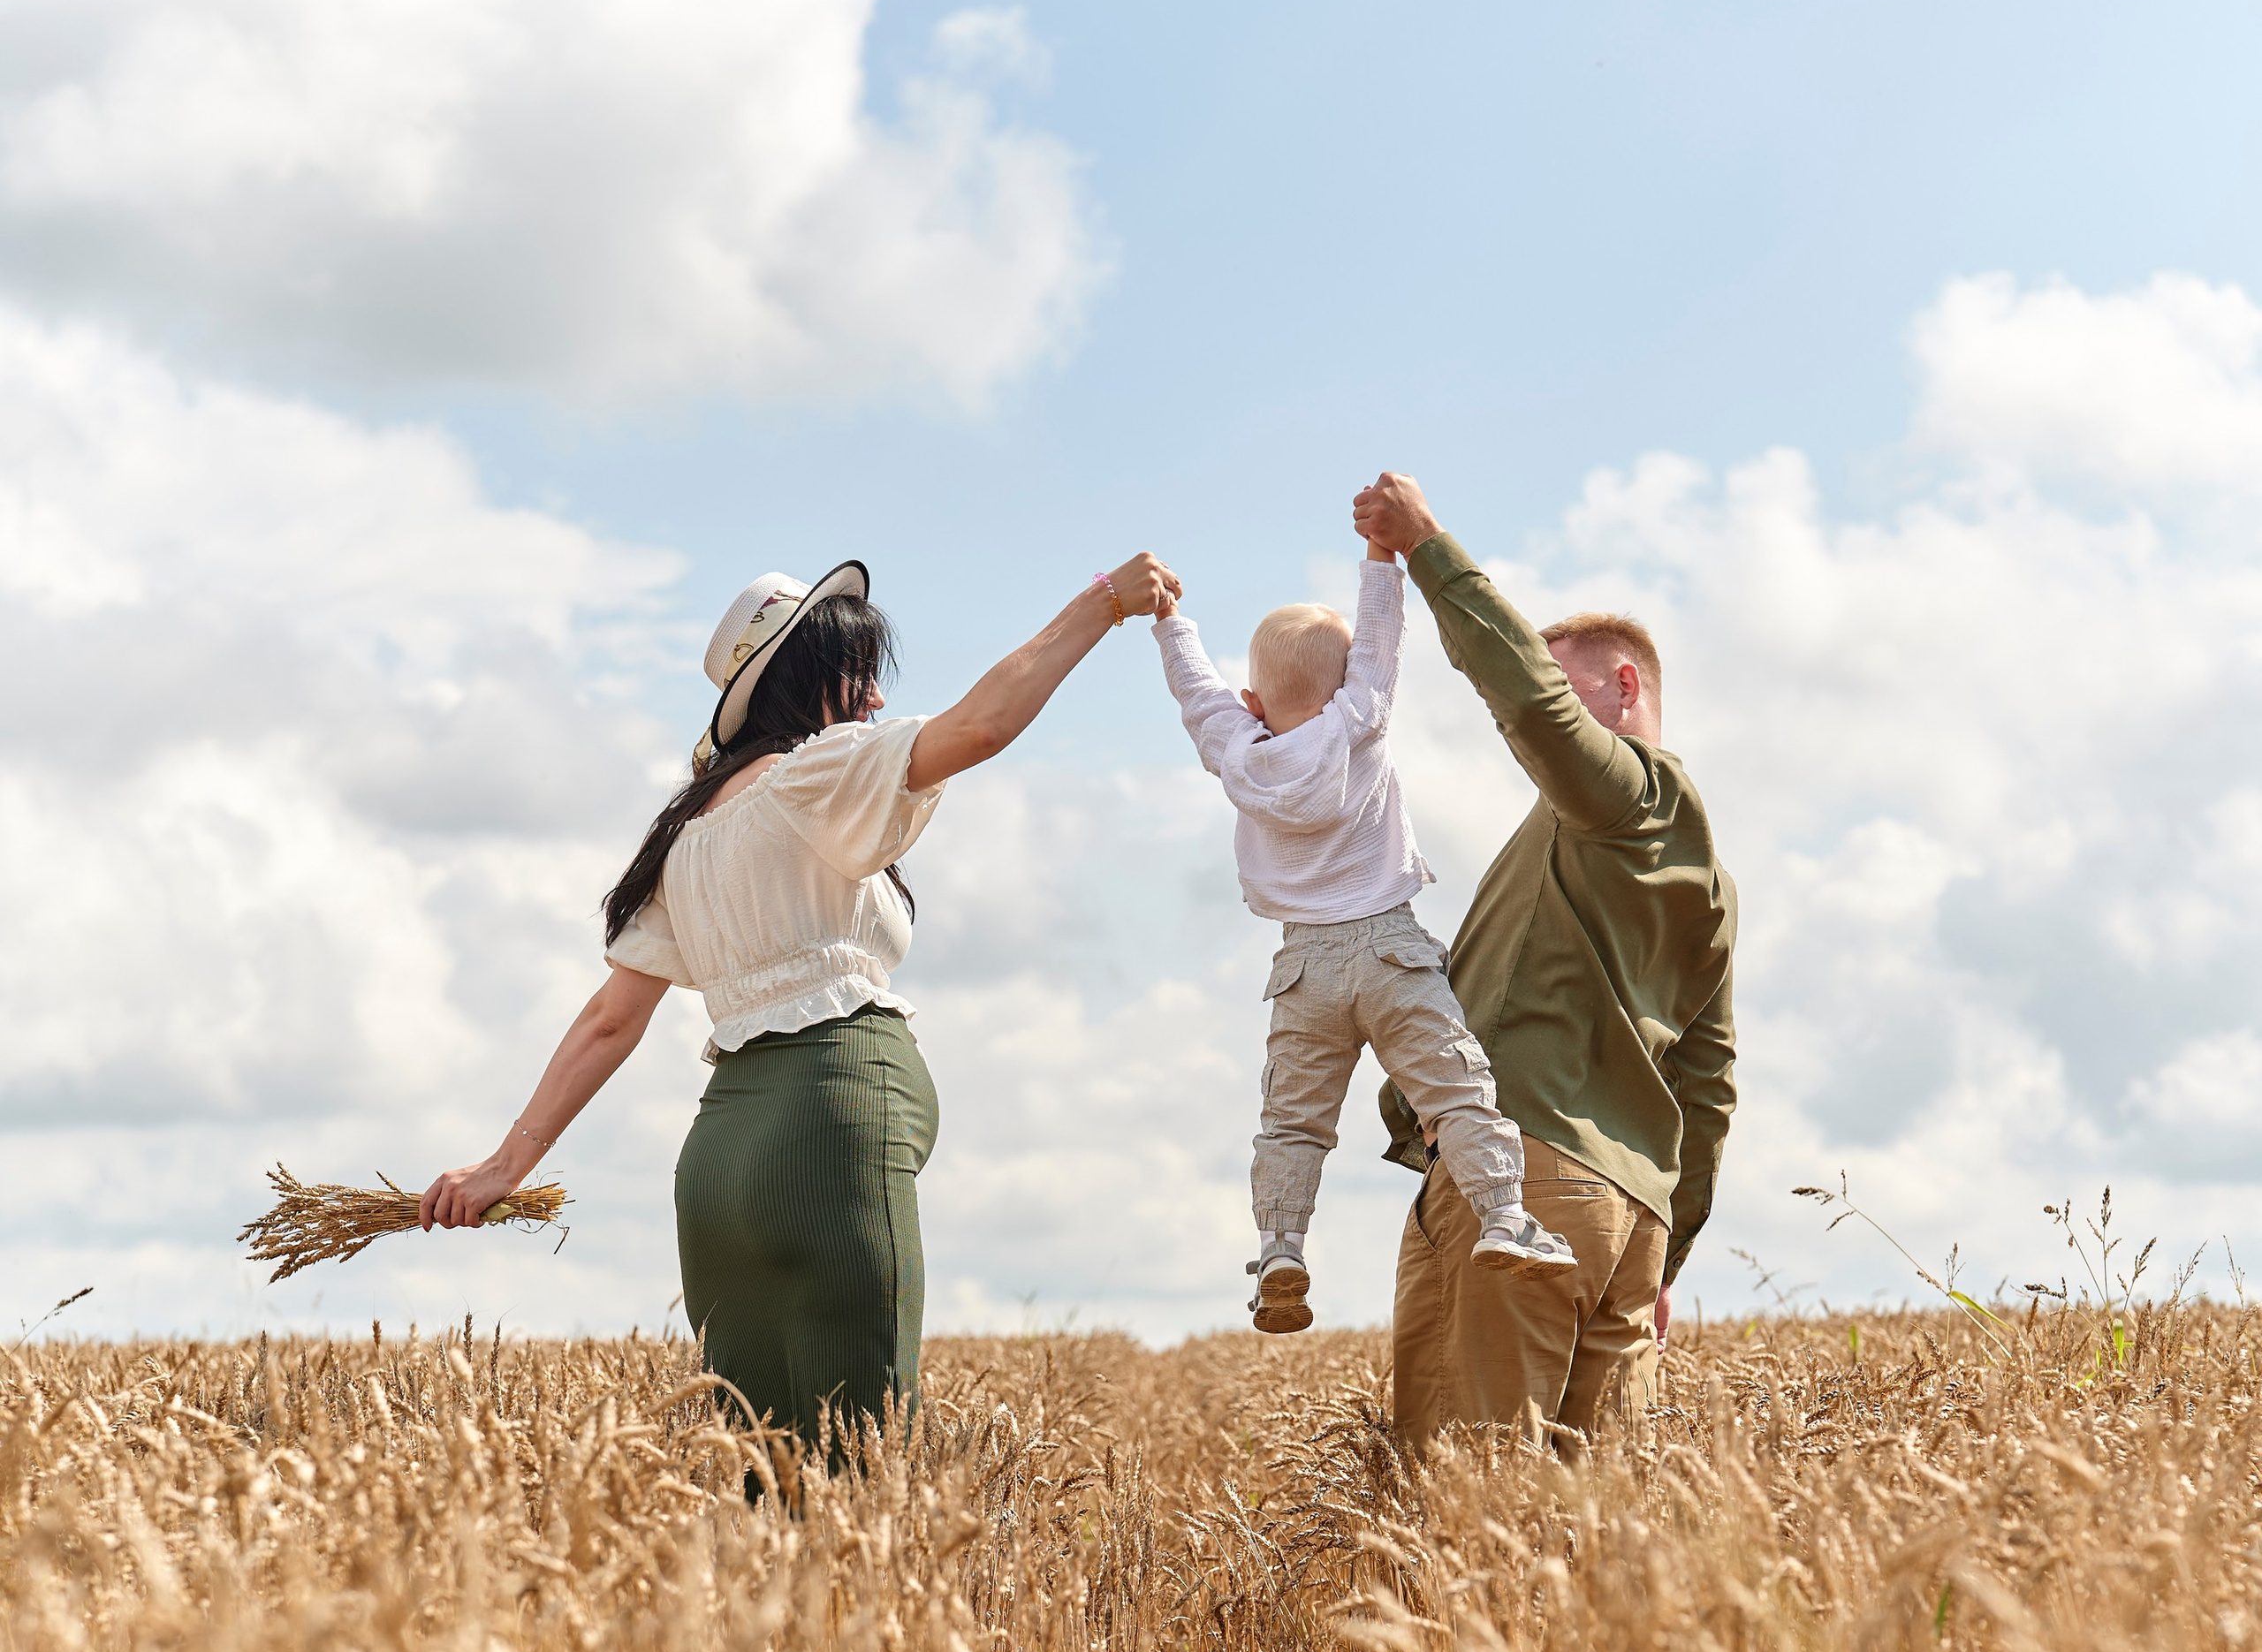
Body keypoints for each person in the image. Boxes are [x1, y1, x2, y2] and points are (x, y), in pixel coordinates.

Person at [421, 549, 1179, 1462]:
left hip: (719, 1166)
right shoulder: (814, 772)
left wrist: (507, 1161)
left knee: (761, 1472)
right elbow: (981, 727)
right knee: (862, 1462)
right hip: (831, 1126)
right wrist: (1100, 606)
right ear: (806, 677)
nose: (871, 698)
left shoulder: (688, 836)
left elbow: (610, 1021)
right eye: (855, 672)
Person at [1350, 470, 1736, 1456]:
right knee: (1584, 1536)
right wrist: (1663, 1263)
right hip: (1628, 1226)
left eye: (1567, 688)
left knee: (1472, 1500)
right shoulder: (1703, 879)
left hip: (1519, 1178)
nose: (1545, 721)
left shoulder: (1625, 796)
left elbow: (1525, 699)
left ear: (1624, 688)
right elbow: (1707, 1081)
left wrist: (1427, 546)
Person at [1151, 542, 1574, 1333]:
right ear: (1346, 687)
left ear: (1253, 701)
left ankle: (1281, 1247)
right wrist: (1383, 556)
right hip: (1389, 951)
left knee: (1292, 1123)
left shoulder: (1236, 751)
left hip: (1303, 967)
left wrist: (1170, 623)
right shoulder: (1359, 723)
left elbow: (1197, 694)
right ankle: (1505, 1216)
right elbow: (1381, 644)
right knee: (1455, 1094)